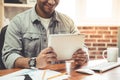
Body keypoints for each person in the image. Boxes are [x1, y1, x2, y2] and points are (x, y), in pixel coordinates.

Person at [2, 0, 89, 69]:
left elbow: (82, 47)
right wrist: (34, 62)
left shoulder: (68, 22)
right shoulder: (18, 22)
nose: (52, 2)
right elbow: (9, 56)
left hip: (60, 75)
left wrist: (83, 55)